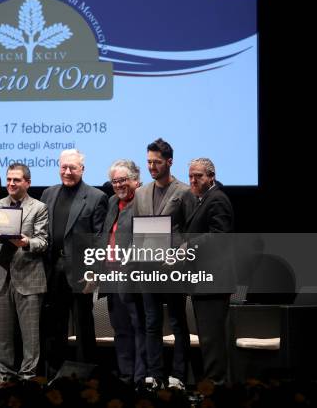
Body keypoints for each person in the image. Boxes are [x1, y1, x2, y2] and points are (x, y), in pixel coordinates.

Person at [132, 138, 196, 390]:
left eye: (157, 162)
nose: (151, 167)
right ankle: (155, 375)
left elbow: (191, 232)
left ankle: (178, 376)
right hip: (148, 267)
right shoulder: (141, 192)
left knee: (179, 321)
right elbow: (139, 231)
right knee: (152, 322)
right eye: (149, 162)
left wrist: (179, 255)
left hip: (173, 268)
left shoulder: (184, 191)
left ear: (169, 162)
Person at [40, 149, 108, 378]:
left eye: (73, 168)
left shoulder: (96, 197)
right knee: (52, 329)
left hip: (81, 273)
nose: (67, 172)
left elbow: (100, 240)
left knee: (83, 329)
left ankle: (86, 380)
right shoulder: (48, 194)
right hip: (51, 271)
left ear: (82, 169)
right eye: (64, 167)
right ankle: (54, 378)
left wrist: (94, 272)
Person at [0, 163, 48, 383]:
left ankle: (28, 379)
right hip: (0, 278)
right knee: (2, 337)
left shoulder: (38, 207)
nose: (11, 183)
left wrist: (26, 242)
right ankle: (6, 380)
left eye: (16, 180)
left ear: (27, 182)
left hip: (29, 278)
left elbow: (43, 241)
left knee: (30, 338)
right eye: (8, 179)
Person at [184, 158, 234, 385]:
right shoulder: (203, 199)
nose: (193, 180)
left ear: (211, 177)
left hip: (213, 282)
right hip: (203, 281)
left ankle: (217, 388)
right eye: (191, 176)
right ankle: (213, 386)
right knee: (208, 339)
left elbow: (219, 236)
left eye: (199, 176)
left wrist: (188, 246)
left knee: (212, 340)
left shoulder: (217, 199)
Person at [100, 160, 147, 388]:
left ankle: (140, 379)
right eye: (115, 181)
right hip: (111, 275)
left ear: (135, 180)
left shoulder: (144, 201)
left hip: (134, 277)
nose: (118, 185)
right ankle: (125, 377)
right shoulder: (111, 202)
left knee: (139, 329)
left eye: (123, 180)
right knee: (120, 329)